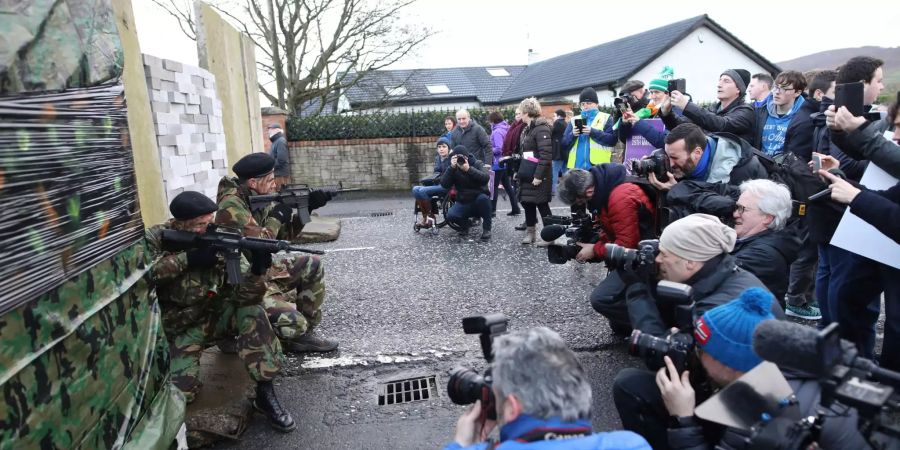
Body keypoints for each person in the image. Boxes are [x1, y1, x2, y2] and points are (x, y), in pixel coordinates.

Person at [613, 288, 867, 450]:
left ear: (728, 363)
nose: (695, 352)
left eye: (701, 349)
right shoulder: (779, 363)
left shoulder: (760, 405)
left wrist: (684, 418)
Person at [146, 191, 295, 432]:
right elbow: (144, 275)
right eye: (200, 225)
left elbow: (245, 296)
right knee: (183, 393)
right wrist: (189, 260)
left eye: (210, 221)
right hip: (180, 329)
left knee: (251, 311)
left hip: (214, 318)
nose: (208, 228)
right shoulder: (156, 237)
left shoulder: (223, 239)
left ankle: (265, 393)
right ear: (180, 224)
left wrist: (257, 270)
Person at [446, 327, 651, 450]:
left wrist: (462, 444)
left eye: (498, 400)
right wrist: (683, 421)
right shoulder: (631, 445)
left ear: (512, 408)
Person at [216, 153, 338, 353]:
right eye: (270, 180)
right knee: (294, 322)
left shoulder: (254, 197)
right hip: (242, 282)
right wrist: (277, 216)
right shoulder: (231, 207)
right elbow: (263, 243)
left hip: (262, 270)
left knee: (312, 263)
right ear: (254, 182)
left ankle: (302, 336)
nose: (274, 185)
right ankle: (233, 332)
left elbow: (284, 236)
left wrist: (306, 209)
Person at [808, 56, 886, 366]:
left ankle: (832, 344)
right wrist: (883, 154)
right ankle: (849, 354)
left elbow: (818, 160)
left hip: (832, 209)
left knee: (831, 280)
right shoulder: (843, 119)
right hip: (842, 212)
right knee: (846, 290)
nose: (882, 87)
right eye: (878, 81)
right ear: (863, 84)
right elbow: (841, 163)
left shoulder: (832, 115)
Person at [617, 214, 783, 337]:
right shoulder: (725, 273)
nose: (658, 259)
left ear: (690, 261)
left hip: (758, 381)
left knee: (629, 382)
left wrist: (637, 288)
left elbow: (666, 359)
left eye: (665, 254)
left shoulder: (714, 312)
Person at [557, 165, 656, 335]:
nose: (582, 206)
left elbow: (626, 246)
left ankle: (654, 324)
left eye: (580, 202)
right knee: (618, 327)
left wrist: (594, 250)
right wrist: (595, 242)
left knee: (602, 299)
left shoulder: (619, 197)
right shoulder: (605, 190)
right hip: (637, 251)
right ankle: (635, 314)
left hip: (645, 257)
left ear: (588, 192)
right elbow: (614, 230)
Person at [730, 180, 800, 308]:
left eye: (742, 209)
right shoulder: (752, 240)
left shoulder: (763, 255)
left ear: (767, 218)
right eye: (736, 207)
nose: (735, 214)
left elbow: (716, 280)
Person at [648, 123, 766, 192]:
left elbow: (724, 208)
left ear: (697, 152)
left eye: (674, 157)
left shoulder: (737, 170)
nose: (671, 164)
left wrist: (679, 191)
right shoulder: (689, 157)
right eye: (668, 157)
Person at [661, 69, 756, 143]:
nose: (719, 85)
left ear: (738, 89)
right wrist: (667, 114)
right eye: (720, 80)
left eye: (726, 81)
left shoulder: (746, 111)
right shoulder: (712, 109)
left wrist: (687, 105)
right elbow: (683, 128)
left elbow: (721, 125)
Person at [751, 71, 815, 160]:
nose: (777, 92)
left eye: (784, 89)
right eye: (776, 87)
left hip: (783, 170)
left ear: (797, 93)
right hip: (759, 166)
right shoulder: (760, 111)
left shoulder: (805, 118)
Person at [517, 97, 554, 245]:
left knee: (542, 205)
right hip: (528, 172)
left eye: (521, 111)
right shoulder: (528, 129)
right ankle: (531, 234)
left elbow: (545, 155)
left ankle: (550, 237)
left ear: (527, 112)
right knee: (528, 203)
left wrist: (538, 176)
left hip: (539, 175)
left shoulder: (541, 128)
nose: (519, 114)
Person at [442, 145, 493, 240]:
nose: (460, 160)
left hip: (479, 199)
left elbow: (485, 178)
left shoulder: (477, 163)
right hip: (464, 200)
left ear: (467, 157)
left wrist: (469, 170)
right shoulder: (454, 168)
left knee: (484, 199)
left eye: (462, 158)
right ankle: (465, 226)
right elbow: (444, 184)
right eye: (457, 158)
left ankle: (487, 229)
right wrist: (451, 168)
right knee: (450, 215)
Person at [559, 87, 617, 170]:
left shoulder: (606, 118)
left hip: (599, 167)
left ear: (597, 104)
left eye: (589, 103)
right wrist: (573, 134)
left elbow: (612, 140)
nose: (585, 106)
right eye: (582, 104)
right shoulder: (573, 120)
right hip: (576, 167)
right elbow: (563, 144)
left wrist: (592, 131)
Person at [413, 137, 453, 228]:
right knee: (415, 189)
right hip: (438, 182)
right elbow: (436, 172)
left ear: (449, 148)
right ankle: (425, 217)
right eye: (439, 147)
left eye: (444, 146)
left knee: (423, 191)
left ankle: (431, 218)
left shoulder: (452, 158)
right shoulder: (438, 158)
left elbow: (450, 175)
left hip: (447, 186)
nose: (441, 149)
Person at [488, 111, 520, 217]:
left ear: (493, 121)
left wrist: (489, 149)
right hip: (505, 162)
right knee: (508, 187)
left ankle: (492, 211)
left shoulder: (497, 131)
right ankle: (515, 208)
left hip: (498, 162)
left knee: (493, 187)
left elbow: (499, 148)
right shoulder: (507, 128)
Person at [267, 123, 291, 190]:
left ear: (277, 130)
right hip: (277, 174)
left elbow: (281, 160)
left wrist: (271, 168)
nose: (269, 131)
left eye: (271, 129)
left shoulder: (280, 141)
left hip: (280, 175)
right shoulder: (275, 141)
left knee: (282, 194)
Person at [551, 109, 568, 194]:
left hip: (557, 152)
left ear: (559, 116)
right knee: (565, 172)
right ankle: (568, 188)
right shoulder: (566, 123)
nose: (553, 118)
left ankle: (552, 190)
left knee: (554, 171)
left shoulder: (557, 123)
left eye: (554, 116)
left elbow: (550, 132)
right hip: (565, 152)